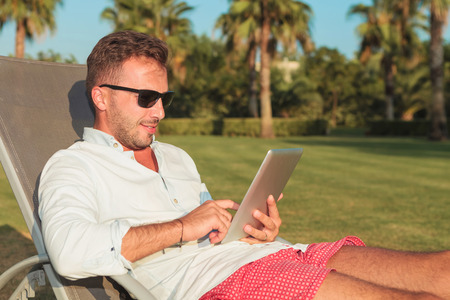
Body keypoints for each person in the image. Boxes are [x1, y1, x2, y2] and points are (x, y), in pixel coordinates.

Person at [38, 30, 449, 300]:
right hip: (217, 284)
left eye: (166, 98)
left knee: (441, 272)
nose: (160, 111)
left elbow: (214, 238)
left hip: (266, 256)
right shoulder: (73, 167)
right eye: (147, 98)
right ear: (101, 97)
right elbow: (71, 253)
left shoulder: (177, 157)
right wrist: (184, 227)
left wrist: (251, 233)